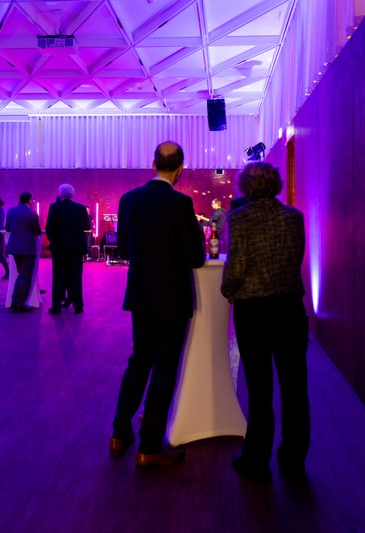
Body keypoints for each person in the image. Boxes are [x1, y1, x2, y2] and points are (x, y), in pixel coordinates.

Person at [110, 141, 205, 469]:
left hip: (140, 295)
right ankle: (150, 445)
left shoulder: (128, 200)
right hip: (172, 299)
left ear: (154, 164)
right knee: (164, 369)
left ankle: (120, 432)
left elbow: (122, 251)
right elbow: (195, 257)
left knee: (138, 361)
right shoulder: (181, 203)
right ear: (180, 168)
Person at [221, 161, 309, 482]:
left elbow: (237, 265)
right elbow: (294, 258)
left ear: (246, 187)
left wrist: (228, 292)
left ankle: (256, 459)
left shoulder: (239, 218)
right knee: (295, 386)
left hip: (254, 311)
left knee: (259, 388)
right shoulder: (294, 217)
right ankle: (294, 457)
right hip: (290, 309)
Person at [45, 183, 90, 314]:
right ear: (72, 194)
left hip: (59, 249)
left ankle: (56, 306)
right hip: (76, 249)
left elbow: (49, 228)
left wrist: (55, 241)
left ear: (60, 194)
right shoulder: (81, 208)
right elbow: (87, 226)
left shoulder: (54, 207)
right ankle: (78, 305)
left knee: (58, 277)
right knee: (76, 277)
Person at [5, 191, 41, 312]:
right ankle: (20, 304)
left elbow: (8, 228)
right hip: (28, 249)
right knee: (25, 276)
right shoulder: (32, 213)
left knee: (20, 275)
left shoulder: (11, 211)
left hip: (15, 248)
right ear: (29, 200)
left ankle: (14, 301)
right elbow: (37, 231)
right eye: (32, 200)